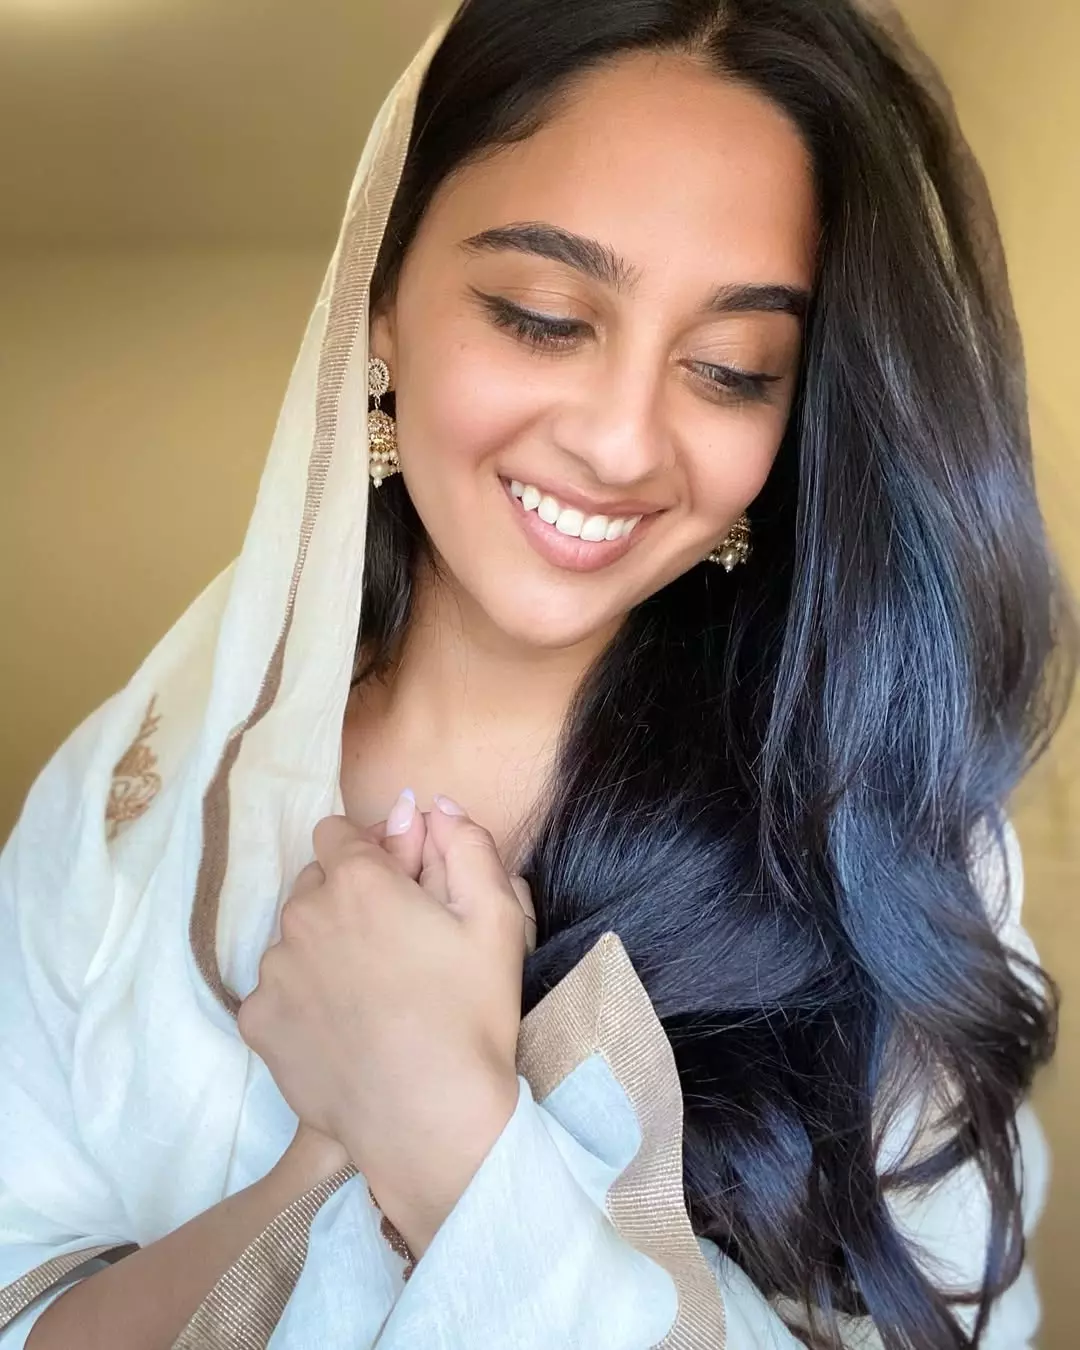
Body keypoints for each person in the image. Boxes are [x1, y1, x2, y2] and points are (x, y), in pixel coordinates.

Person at [1, 1, 1073, 1346]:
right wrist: (313, 1165)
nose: (622, 442)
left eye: (730, 370)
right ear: (379, 303)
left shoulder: (880, 839)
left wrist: (446, 1135)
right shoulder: (137, 800)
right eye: (543, 317)